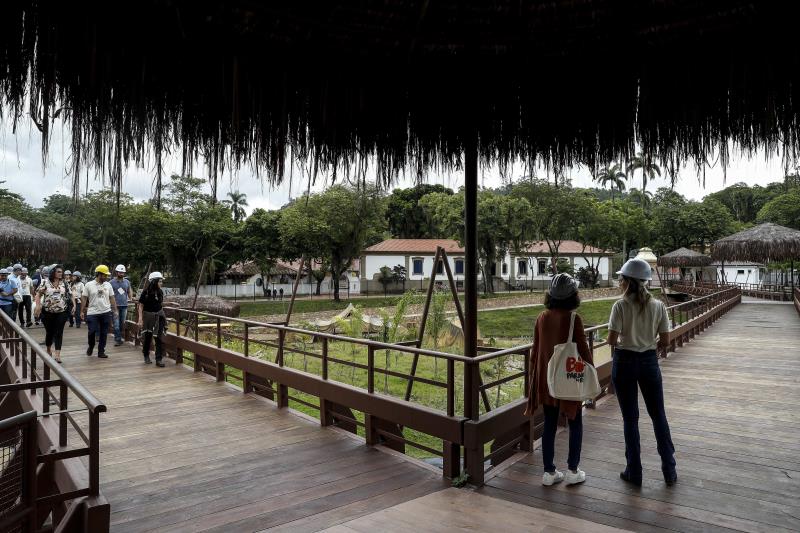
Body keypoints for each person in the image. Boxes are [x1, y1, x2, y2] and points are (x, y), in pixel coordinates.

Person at [607, 258, 677, 487]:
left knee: (630, 419)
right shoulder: (658, 306)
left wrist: (628, 342)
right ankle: (669, 470)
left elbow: (611, 339)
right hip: (648, 362)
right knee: (658, 415)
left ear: (627, 281)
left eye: (621, 279)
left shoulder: (620, 306)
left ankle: (634, 472)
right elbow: (665, 340)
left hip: (625, 361)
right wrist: (648, 346)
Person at [524, 273, 593, 486]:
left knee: (549, 425)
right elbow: (583, 352)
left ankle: (549, 472)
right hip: (569, 381)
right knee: (576, 423)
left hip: (548, 380)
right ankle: (573, 470)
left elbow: (535, 353)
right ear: (573, 296)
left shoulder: (541, 318)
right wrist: (590, 375)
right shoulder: (574, 319)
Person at [34, 264, 70, 363]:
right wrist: (37, 306)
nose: (60, 273)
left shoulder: (65, 283)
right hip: (48, 312)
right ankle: (49, 349)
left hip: (61, 311)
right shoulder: (45, 282)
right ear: (52, 272)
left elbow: (70, 295)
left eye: (61, 272)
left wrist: (74, 305)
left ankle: (57, 355)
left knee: (59, 332)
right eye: (58, 271)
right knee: (50, 332)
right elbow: (38, 294)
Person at [81, 265, 118, 359]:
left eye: (107, 275)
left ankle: (101, 351)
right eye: (105, 275)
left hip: (106, 312)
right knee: (92, 331)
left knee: (104, 333)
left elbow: (112, 298)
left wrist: (115, 310)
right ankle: (91, 345)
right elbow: (84, 297)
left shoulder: (108, 285)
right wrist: (82, 311)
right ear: (99, 274)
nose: (106, 277)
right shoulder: (89, 285)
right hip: (92, 312)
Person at [137, 271, 167, 367]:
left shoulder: (160, 292)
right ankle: (146, 355)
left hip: (159, 316)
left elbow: (159, 304)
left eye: (161, 281)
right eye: (160, 281)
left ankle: (159, 359)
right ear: (154, 281)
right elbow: (141, 305)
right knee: (148, 337)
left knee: (159, 338)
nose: (161, 283)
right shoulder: (145, 292)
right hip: (148, 317)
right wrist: (140, 319)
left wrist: (170, 304)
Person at [110, 265, 132, 346]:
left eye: (123, 272)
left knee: (122, 323)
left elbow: (129, 290)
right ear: (116, 272)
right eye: (120, 272)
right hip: (115, 306)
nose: (121, 273)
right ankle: (118, 339)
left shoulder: (127, 282)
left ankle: (119, 337)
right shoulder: (111, 282)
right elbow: (108, 294)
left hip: (124, 305)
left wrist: (130, 298)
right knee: (116, 324)